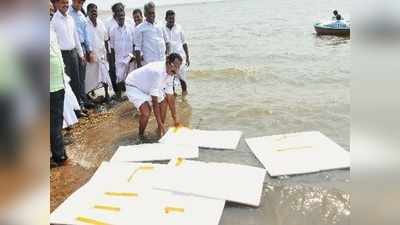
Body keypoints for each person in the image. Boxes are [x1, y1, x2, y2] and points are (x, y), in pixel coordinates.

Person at [125, 53, 182, 139]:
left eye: (178, 67)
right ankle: (141, 136)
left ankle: (159, 130)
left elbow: (170, 96)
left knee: (164, 103)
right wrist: (159, 122)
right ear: (168, 62)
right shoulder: (157, 72)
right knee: (146, 112)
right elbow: (155, 102)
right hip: (134, 86)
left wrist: (175, 119)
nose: (176, 71)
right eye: (175, 67)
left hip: (148, 86)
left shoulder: (171, 72)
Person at [51, 0, 88, 118]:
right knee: (67, 85)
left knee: (76, 82)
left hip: (73, 54)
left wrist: (81, 54)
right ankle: (69, 114)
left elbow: (76, 38)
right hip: (62, 56)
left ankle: (79, 108)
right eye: (62, 3)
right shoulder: (53, 22)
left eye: (67, 2)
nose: (66, 5)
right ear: (56, 4)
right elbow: (53, 43)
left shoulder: (70, 19)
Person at [68, 0, 95, 108]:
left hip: (83, 48)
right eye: (78, 2)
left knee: (82, 77)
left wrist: (90, 51)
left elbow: (86, 36)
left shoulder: (82, 17)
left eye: (82, 3)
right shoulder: (67, 14)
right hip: (72, 49)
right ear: (73, 1)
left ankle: (83, 101)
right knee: (74, 78)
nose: (80, 5)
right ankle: (76, 104)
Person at [50, 5, 67, 167]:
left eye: (50, 12)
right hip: (49, 86)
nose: (50, 14)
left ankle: (58, 152)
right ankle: (59, 155)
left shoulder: (51, 32)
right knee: (54, 122)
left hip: (58, 84)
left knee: (56, 120)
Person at [85, 3, 113, 102]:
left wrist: (108, 53)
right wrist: (87, 54)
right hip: (91, 55)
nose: (94, 12)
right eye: (92, 11)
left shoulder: (101, 23)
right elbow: (83, 41)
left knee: (104, 75)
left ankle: (106, 94)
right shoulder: (85, 24)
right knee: (90, 78)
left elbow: (106, 39)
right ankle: (88, 97)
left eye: (95, 11)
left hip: (102, 55)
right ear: (87, 12)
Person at [109, 4, 135, 99]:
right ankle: (120, 96)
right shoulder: (112, 31)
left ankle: (130, 96)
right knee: (119, 78)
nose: (121, 17)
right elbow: (111, 48)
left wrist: (133, 56)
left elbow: (134, 44)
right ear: (115, 18)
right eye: (119, 16)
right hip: (119, 58)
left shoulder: (131, 28)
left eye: (122, 16)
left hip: (130, 58)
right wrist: (112, 61)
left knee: (130, 78)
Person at [134, 2, 170, 68]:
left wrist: (168, 55)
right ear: (145, 14)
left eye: (153, 12)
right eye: (149, 13)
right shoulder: (139, 28)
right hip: (149, 64)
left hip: (163, 62)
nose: (151, 15)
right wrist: (139, 64)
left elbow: (167, 41)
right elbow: (137, 48)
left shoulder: (160, 24)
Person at [164, 10, 190, 96]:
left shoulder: (179, 28)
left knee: (182, 79)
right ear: (166, 19)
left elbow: (184, 43)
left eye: (173, 18)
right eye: (170, 18)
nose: (172, 20)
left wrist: (187, 57)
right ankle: (174, 98)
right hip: (170, 60)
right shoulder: (163, 29)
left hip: (180, 58)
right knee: (171, 80)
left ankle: (184, 99)